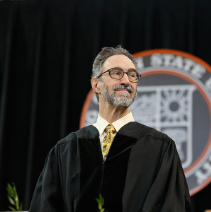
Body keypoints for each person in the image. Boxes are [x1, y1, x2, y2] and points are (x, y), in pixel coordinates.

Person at [29, 46, 193, 212]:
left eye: (132, 75)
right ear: (96, 84)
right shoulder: (66, 150)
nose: (126, 80)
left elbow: (172, 206)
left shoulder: (159, 148)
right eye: (116, 73)